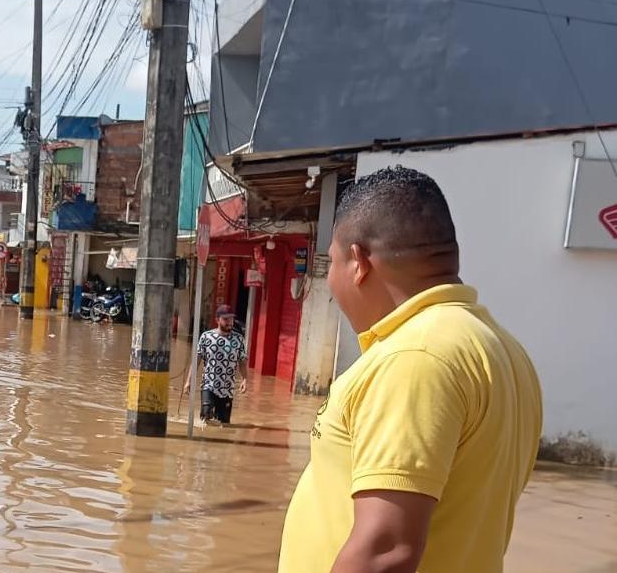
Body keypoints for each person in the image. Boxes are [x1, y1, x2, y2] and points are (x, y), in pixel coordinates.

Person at [278, 167, 542, 573]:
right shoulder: (502, 349)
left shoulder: (415, 358)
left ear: (357, 261)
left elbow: (385, 551)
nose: (330, 282)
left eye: (330, 262)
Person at [184, 304, 248, 425]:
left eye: (231, 319)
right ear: (217, 320)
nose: (230, 322)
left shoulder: (238, 340)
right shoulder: (206, 337)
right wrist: (189, 381)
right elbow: (197, 359)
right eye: (226, 319)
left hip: (228, 389)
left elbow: (242, 361)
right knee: (206, 419)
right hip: (208, 385)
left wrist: (245, 379)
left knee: (223, 424)